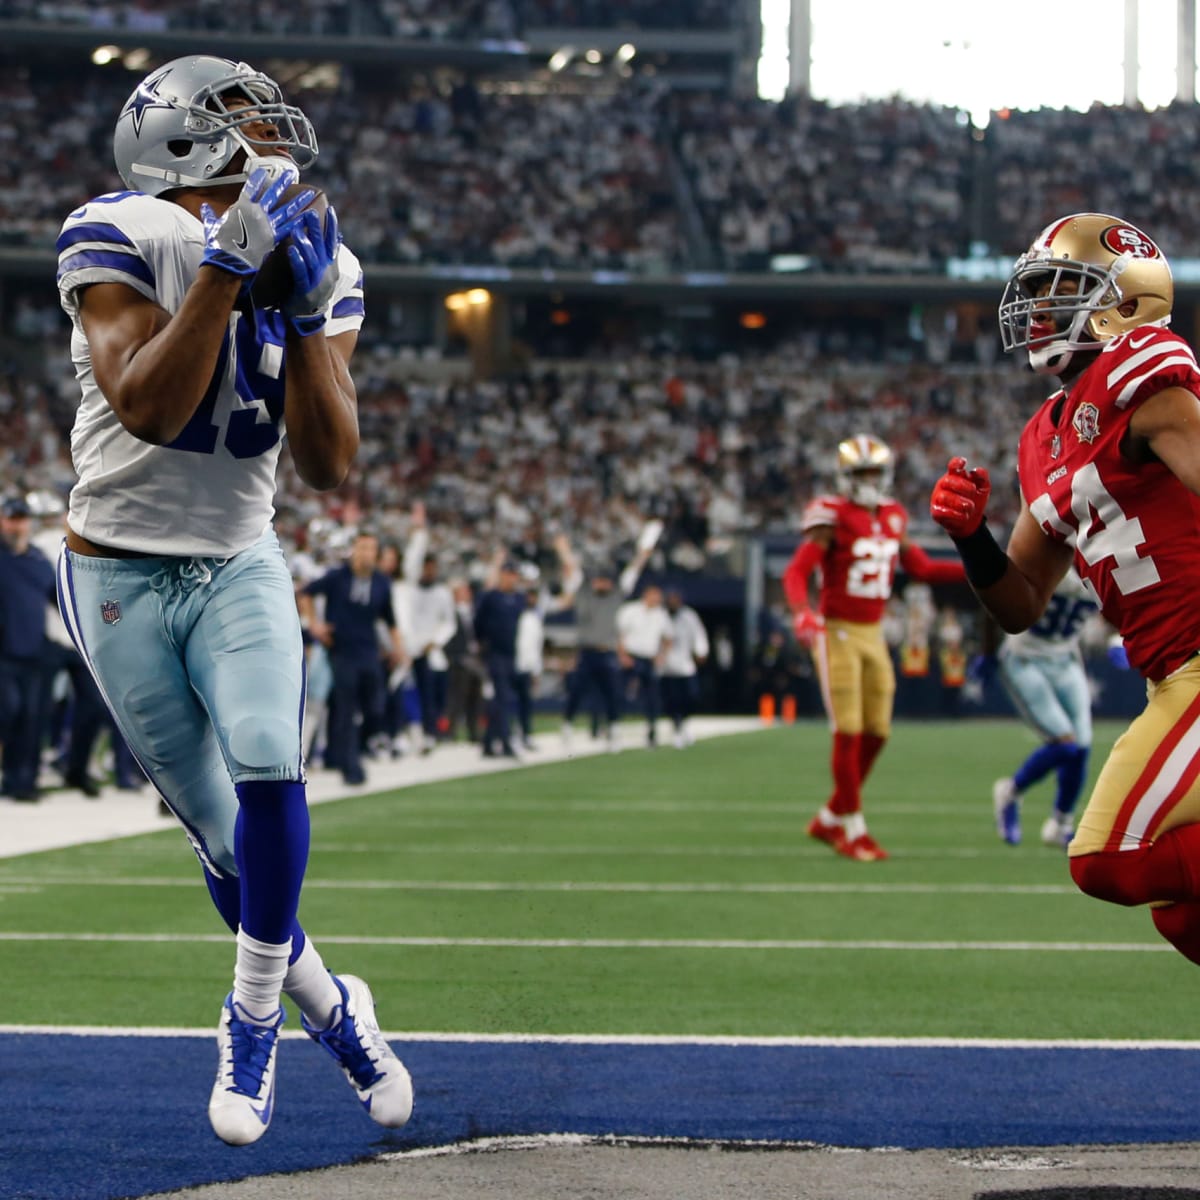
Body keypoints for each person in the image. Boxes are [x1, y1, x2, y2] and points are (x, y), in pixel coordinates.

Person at [54, 55, 411, 1145]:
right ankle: (331, 1005)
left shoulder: (328, 260)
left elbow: (327, 463)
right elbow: (153, 407)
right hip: (114, 569)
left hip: (238, 555)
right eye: (237, 119)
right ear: (172, 140)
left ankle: (252, 1015)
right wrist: (220, 272)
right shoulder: (116, 233)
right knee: (220, 835)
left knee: (268, 755)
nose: (268, 136)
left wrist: (304, 319)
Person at [929, 211, 1200, 975]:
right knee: (1184, 913)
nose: (1040, 308)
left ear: (1124, 301)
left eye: (1061, 289)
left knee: (1107, 859)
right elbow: (1018, 605)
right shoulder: (1044, 435)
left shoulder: (1147, 381)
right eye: (1040, 289)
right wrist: (971, 536)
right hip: (1169, 680)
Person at [784, 434, 967, 861]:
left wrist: (974, 570)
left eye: (873, 473)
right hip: (838, 632)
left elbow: (919, 566)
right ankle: (853, 828)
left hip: (874, 632)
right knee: (847, 732)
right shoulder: (832, 515)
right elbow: (796, 572)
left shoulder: (894, 516)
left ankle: (830, 817)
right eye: (861, 473)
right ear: (845, 477)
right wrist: (802, 612)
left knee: (877, 733)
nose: (869, 480)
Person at [975, 573, 1099, 849]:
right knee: (1064, 744)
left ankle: (1060, 824)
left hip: (1066, 656)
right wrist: (988, 651)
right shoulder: (1054, 557)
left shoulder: (1105, 559)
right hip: (1024, 656)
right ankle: (1010, 792)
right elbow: (995, 594)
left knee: (1081, 748)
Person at [300, 530, 406, 786]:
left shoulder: (381, 583)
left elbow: (390, 619)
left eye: (371, 549)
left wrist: (398, 648)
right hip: (342, 651)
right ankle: (351, 765)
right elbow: (306, 593)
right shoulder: (338, 577)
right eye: (362, 548)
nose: (367, 553)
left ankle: (366, 745)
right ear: (354, 550)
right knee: (346, 708)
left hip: (368, 650)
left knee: (375, 704)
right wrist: (314, 624)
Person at [555, 530, 655, 753]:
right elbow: (572, 569)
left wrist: (643, 554)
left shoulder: (617, 593)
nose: (602, 584)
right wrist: (563, 549)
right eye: (599, 580)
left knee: (613, 694)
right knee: (576, 692)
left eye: (605, 580)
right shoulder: (583, 592)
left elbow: (634, 571)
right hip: (586, 651)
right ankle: (567, 727)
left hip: (608, 652)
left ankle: (614, 731)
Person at [0, 497, 56, 801]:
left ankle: (22, 781)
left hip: (35, 651)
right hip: (4, 653)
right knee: (9, 712)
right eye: (12, 518)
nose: (17, 525)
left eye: (21, 519)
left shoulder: (37, 559)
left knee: (31, 718)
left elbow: (56, 598)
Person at [401, 502, 455, 752]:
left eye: (433, 568)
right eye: (427, 567)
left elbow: (449, 622)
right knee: (408, 693)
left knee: (430, 695)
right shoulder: (409, 588)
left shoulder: (443, 593)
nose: (429, 571)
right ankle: (410, 733)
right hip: (410, 649)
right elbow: (411, 561)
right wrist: (419, 531)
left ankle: (431, 732)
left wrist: (437, 640)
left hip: (430, 650)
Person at [473, 554, 526, 758]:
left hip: (510, 653)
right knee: (503, 697)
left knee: (500, 700)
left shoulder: (518, 599)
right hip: (493, 653)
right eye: (508, 574)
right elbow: (478, 624)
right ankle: (505, 742)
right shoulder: (490, 597)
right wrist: (482, 646)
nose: (511, 578)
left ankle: (488, 742)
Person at [617, 583, 673, 747]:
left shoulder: (661, 615)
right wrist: (622, 655)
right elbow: (619, 634)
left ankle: (651, 729)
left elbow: (669, 638)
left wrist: (662, 656)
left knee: (652, 697)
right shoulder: (630, 611)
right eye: (655, 595)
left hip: (649, 659)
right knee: (621, 693)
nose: (658, 599)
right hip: (631, 657)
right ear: (646, 594)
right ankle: (614, 726)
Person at [661, 588, 709, 749]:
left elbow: (698, 634)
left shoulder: (689, 616)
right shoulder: (660, 616)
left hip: (685, 665)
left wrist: (701, 651)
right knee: (671, 701)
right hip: (665, 666)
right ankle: (677, 728)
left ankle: (684, 724)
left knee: (691, 697)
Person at [514, 584, 545, 750]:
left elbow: (536, 647)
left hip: (527, 667)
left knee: (526, 704)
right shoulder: (516, 615)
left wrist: (536, 670)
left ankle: (525, 735)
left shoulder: (535, 618)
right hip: (513, 664)